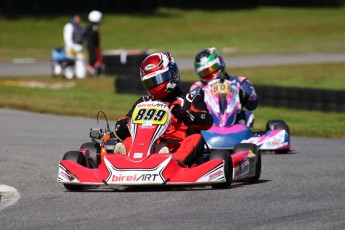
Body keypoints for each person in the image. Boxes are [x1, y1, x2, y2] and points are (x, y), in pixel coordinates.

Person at [114, 52, 213, 166]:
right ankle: (126, 161)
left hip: (177, 148)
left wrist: (185, 114)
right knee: (128, 141)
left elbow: (207, 120)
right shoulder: (144, 102)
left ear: (172, 74)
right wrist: (128, 123)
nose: (154, 86)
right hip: (148, 147)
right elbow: (120, 125)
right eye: (150, 82)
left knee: (196, 139)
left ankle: (173, 163)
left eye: (158, 80)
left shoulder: (189, 99)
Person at [190, 47, 259, 128]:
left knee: (247, 115)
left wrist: (244, 96)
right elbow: (191, 108)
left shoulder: (240, 81)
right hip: (209, 125)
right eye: (204, 73)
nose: (209, 74)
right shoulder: (198, 86)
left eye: (212, 69)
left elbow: (254, 103)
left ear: (220, 64)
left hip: (236, 123)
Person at [63, 15, 86, 79]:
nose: (79, 20)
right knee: (70, 62)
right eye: (77, 19)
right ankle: (69, 75)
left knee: (80, 60)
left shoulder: (81, 27)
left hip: (79, 47)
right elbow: (67, 38)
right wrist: (70, 47)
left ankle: (81, 75)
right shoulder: (69, 26)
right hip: (71, 47)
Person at [85, 10, 103, 75]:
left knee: (93, 58)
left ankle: (92, 69)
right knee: (96, 58)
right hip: (93, 45)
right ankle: (94, 71)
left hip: (91, 45)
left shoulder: (89, 26)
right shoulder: (93, 27)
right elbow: (94, 37)